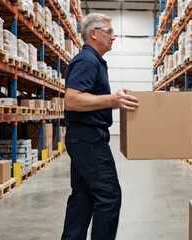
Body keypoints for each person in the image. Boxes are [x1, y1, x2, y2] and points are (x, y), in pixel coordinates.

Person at [62, 13, 139, 240]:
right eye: (109, 31)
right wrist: (111, 100)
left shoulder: (93, 61)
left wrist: (116, 101)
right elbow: (72, 100)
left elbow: (90, 101)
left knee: (82, 197)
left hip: (84, 138)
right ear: (94, 34)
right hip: (89, 140)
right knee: (108, 196)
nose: (113, 37)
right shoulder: (87, 61)